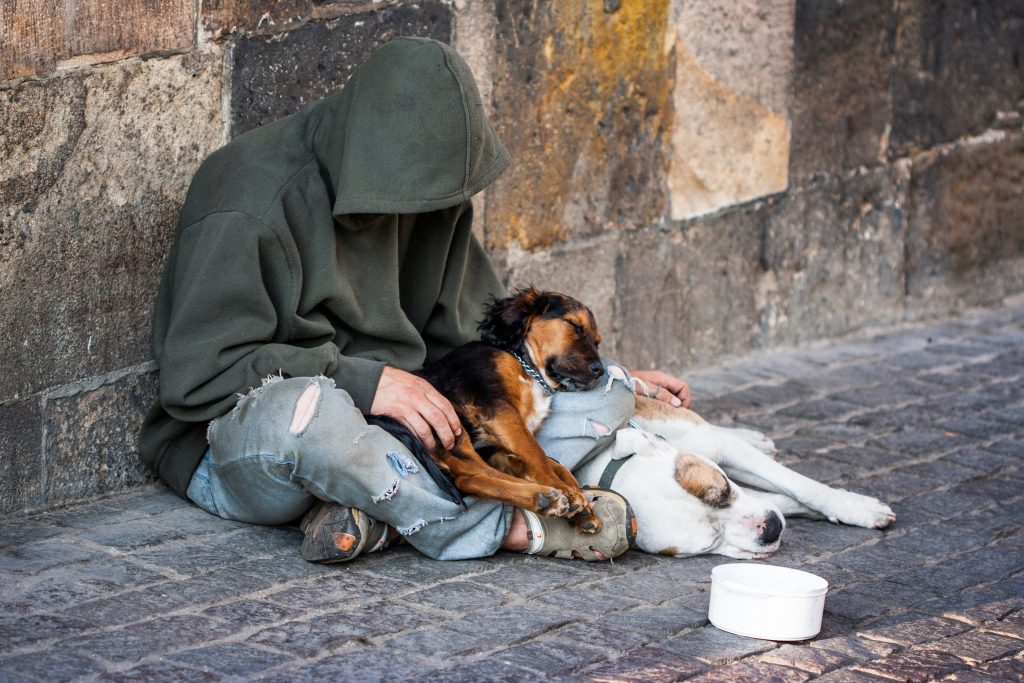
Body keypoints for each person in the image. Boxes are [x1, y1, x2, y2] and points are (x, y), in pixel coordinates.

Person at [139, 37, 690, 564]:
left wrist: (589, 372)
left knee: (606, 395)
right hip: (249, 448)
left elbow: (478, 350)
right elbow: (198, 377)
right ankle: (509, 528)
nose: (439, 212)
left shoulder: (437, 195)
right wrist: (367, 382)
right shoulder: (248, 203)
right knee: (314, 417)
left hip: (414, 435)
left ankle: (380, 512)